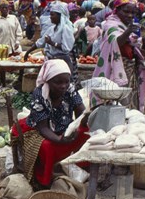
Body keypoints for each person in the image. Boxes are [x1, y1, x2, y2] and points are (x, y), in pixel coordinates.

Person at [12, 60, 89, 189]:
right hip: (38, 129)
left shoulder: (69, 89)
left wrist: (87, 117)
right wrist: (59, 139)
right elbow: (43, 128)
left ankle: (81, 167)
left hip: (63, 127)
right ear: (48, 81)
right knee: (48, 146)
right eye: (58, 82)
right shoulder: (40, 94)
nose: (63, 86)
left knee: (86, 132)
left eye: (66, 81)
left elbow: (81, 112)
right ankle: (45, 180)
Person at [91, 0, 145, 110]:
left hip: (129, 69)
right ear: (117, 10)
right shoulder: (110, 24)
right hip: (115, 69)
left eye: (133, 13)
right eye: (126, 11)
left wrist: (143, 41)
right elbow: (114, 42)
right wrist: (128, 32)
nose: (130, 15)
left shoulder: (125, 25)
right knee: (116, 102)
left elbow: (134, 47)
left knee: (130, 103)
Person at [24, 2, 79, 87]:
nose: (50, 17)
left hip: (62, 62)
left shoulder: (66, 29)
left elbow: (66, 48)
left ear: (60, 16)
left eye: (52, 15)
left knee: (62, 87)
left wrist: (52, 43)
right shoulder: (51, 29)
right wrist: (28, 52)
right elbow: (40, 42)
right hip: (51, 60)